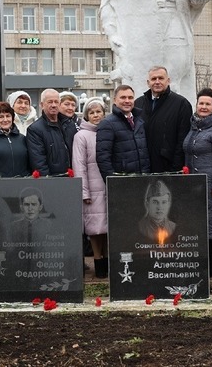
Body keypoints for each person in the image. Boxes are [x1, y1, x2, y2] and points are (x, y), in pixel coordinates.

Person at [183, 88, 212, 276]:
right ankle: (202, 262)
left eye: (207, 104)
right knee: (199, 224)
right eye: (201, 103)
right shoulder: (194, 126)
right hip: (195, 185)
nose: (203, 107)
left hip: (211, 185)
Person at [72, 97, 109, 278]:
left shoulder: (109, 131)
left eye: (99, 112)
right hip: (92, 190)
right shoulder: (81, 136)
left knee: (109, 227)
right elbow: (79, 165)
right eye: (92, 112)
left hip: (108, 188)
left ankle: (108, 261)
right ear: (87, 115)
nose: (96, 115)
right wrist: (84, 191)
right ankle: (98, 261)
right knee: (95, 229)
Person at [135, 66, 193, 173]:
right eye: (153, 79)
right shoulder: (138, 104)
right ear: (148, 83)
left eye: (161, 78)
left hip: (169, 168)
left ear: (168, 81)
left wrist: (175, 168)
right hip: (143, 168)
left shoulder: (181, 104)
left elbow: (183, 140)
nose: (157, 82)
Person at [96, 85, 151, 179]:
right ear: (114, 100)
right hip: (122, 181)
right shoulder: (107, 124)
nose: (127, 101)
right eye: (123, 97)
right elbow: (103, 158)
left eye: (130, 97)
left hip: (143, 179)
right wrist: (113, 183)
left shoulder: (139, 121)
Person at [27, 89, 77, 176]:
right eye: (50, 102)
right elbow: (39, 162)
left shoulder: (69, 125)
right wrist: (48, 183)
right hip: (51, 180)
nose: (54, 105)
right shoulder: (35, 130)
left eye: (56, 102)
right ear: (42, 105)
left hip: (71, 178)